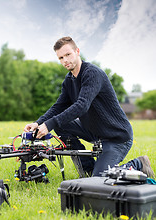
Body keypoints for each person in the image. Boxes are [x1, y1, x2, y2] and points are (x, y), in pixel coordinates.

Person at [24, 36, 154, 178]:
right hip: (95, 131)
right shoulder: (69, 81)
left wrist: (50, 124)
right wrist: (38, 123)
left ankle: (138, 164)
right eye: (61, 58)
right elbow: (58, 107)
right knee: (61, 125)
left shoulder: (92, 73)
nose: (65, 60)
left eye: (68, 54)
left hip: (116, 136)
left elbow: (81, 106)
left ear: (77, 51)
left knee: (100, 180)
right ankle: (87, 169)